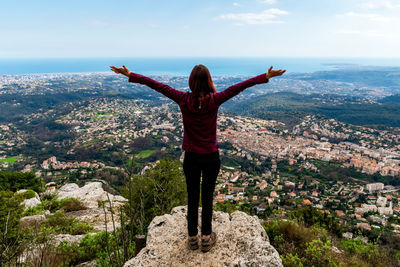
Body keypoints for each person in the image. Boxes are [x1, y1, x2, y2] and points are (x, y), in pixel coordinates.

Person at [110, 64, 286, 252]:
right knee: (207, 197)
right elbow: (239, 87)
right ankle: (206, 238)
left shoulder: (183, 99)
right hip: (211, 157)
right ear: (209, 81)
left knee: (192, 197)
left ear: (191, 82)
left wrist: (130, 74)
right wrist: (265, 76)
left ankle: (192, 237)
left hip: (191, 157)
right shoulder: (214, 100)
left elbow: (157, 85)